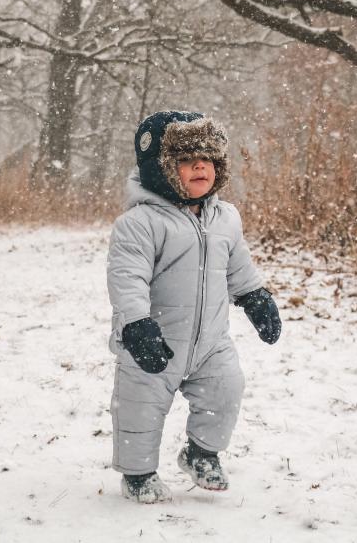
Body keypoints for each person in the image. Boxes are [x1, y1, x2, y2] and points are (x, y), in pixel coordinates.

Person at [106, 110, 282, 503]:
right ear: (161, 169)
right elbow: (127, 278)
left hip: (211, 342)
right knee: (139, 407)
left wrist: (256, 297)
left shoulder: (226, 217)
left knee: (227, 389)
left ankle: (201, 453)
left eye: (208, 158)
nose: (200, 165)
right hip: (153, 341)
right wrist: (135, 324)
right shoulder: (140, 223)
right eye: (186, 160)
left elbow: (238, 265)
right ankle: (138, 473)